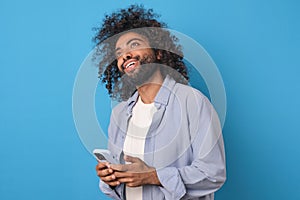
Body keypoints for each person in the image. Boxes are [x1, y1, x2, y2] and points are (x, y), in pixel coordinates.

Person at [94, 5, 226, 200]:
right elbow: (122, 185)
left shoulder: (192, 101)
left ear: (159, 52)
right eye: (119, 52)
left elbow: (213, 173)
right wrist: (110, 177)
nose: (125, 55)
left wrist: (154, 176)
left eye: (134, 44)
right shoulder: (120, 114)